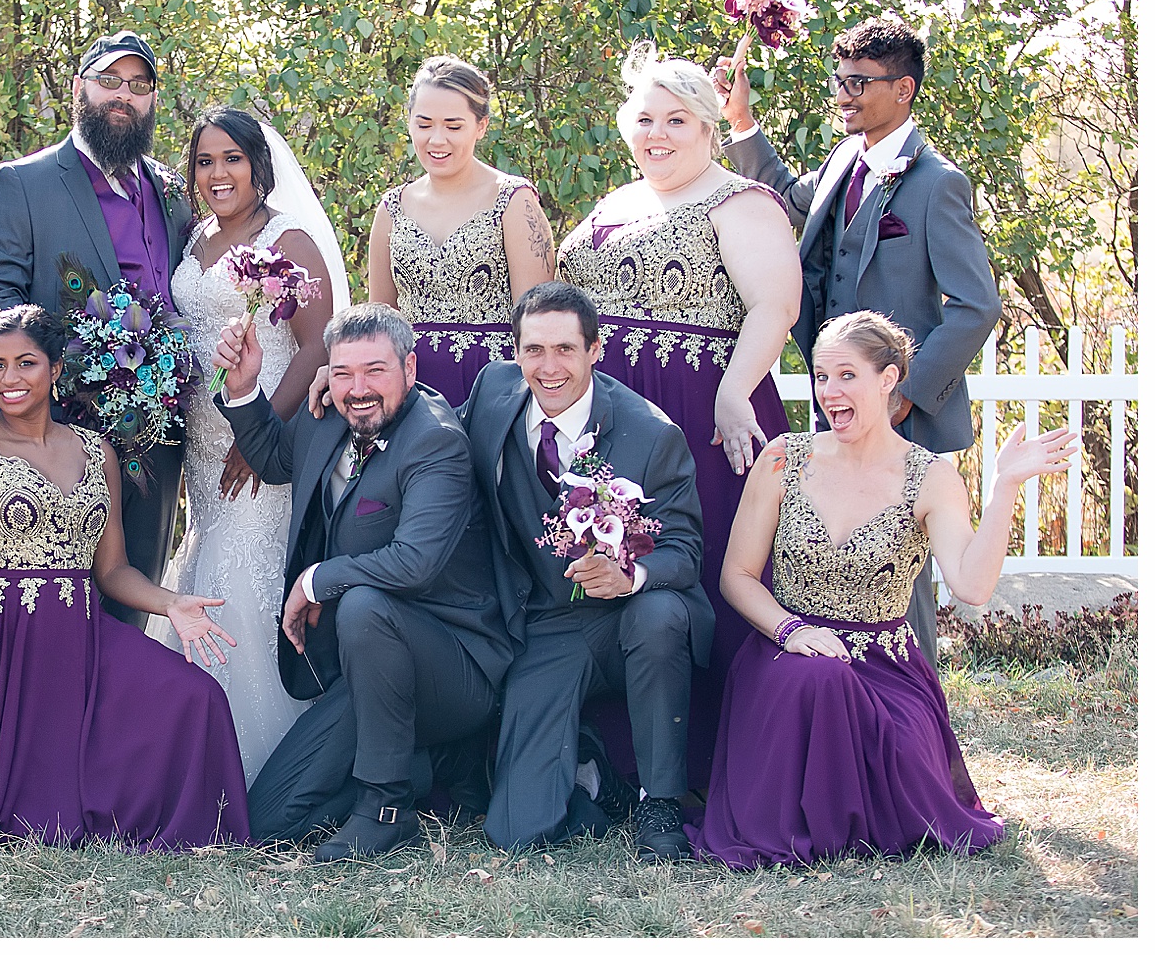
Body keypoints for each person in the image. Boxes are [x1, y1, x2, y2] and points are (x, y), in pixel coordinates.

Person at [691, 310, 1076, 867]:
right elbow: (737, 577)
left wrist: (1004, 488)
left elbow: (970, 585)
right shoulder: (781, 459)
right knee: (818, 678)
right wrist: (792, 630)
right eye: (821, 376)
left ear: (889, 378)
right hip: (787, 658)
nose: (830, 392)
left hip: (886, 669)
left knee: (891, 756)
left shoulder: (931, 476)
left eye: (847, 376)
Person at [0, 305, 250, 848]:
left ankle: (190, 830)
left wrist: (171, 604)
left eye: (26, 363)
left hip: (80, 635)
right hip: (1, 642)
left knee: (196, 697)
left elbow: (112, 569)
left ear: (57, 369)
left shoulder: (98, 451)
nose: (9, 379)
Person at [720, 12, 1004, 662]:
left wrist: (905, 393)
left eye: (858, 82)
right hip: (839, 401)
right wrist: (742, 127)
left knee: (904, 589)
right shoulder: (846, 157)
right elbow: (793, 201)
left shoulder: (939, 184)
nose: (842, 93)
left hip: (901, 412)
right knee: (846, 577)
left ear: (902, 90)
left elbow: (976, 306)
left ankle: (915, 719)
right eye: (839, 79)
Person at [556, 47, 799, 761]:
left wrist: (732, 394)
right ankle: (625, 758)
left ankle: (720, 758)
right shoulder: (614, 203)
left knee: (709, 561)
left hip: (702, 412)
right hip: (612, 415)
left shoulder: (740, 202)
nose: (656, 134)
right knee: (614, 561)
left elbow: (774, 305)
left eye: (676, 120)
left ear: (708, 128)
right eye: (643, 119)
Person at [216, 302, 512, 857]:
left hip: (455, 666)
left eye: (376, 370)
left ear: (411, 369)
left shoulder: (435, 441)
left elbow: (415, 562)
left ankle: (385, 806)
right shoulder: (332, 411)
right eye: (345, 371)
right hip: (370, 673)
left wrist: (316, 579)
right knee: (270, 819)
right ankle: (434, 766)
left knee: (362, 605)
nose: (358, 388)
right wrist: (245, 388)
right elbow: (281, 460)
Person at [463, 283, 713, 860]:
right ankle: (591, 768)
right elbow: (438, 427)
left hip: (632, 614)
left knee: (660, 615)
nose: (549, 368)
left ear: (596, 351)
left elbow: (685, 548)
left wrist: (633, 578)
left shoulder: (651, 433)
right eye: (533, 350)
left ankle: (660, 803)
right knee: (516, 832)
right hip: (547, 624)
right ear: (516, 350)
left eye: (566, 350)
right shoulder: (494, 392)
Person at [0, 30, 195, 617]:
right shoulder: (24, 183)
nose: (124, 96)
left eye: (139, 86)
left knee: (135, 599)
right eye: (109, 81)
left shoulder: (172, 193)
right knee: (51, 609)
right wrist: (79, 363)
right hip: (53, 435)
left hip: (154, 437)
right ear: (79, 89)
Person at [158, 106, 345, 773]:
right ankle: (192, 751)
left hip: (259, 444)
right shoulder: (195, 238)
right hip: (199, 448)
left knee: (247, 571)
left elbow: (318, 342)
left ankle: (260, 763)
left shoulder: (288, 239)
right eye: (205, 161)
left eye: (232, 159)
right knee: (205, 561)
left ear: (259, 166)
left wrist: (256, 431)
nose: (218, 173)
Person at [368, 55, 556, 407]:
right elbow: (379, 320)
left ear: (480, 126)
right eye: (424, 125)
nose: (437, 140)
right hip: (411, 393)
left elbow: (537, 318)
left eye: (453, 126)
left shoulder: (513, 200)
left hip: (494, 388)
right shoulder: (392, 208)